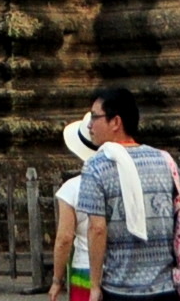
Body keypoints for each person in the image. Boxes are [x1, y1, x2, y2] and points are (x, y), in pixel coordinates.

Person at [76, 87, 180, 301]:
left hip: (120, 288)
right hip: (165, 287)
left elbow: (97, 229)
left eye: (94, 117)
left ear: (116, 122)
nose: (89, 125)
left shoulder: (97, 166)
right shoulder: (165, 160)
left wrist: (95, 286)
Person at [46, 115, 104, 301]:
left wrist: (57, 280)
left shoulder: (72, 188)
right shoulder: (121, 181)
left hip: (84, 267)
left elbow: (64, 238)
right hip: (120, 269)